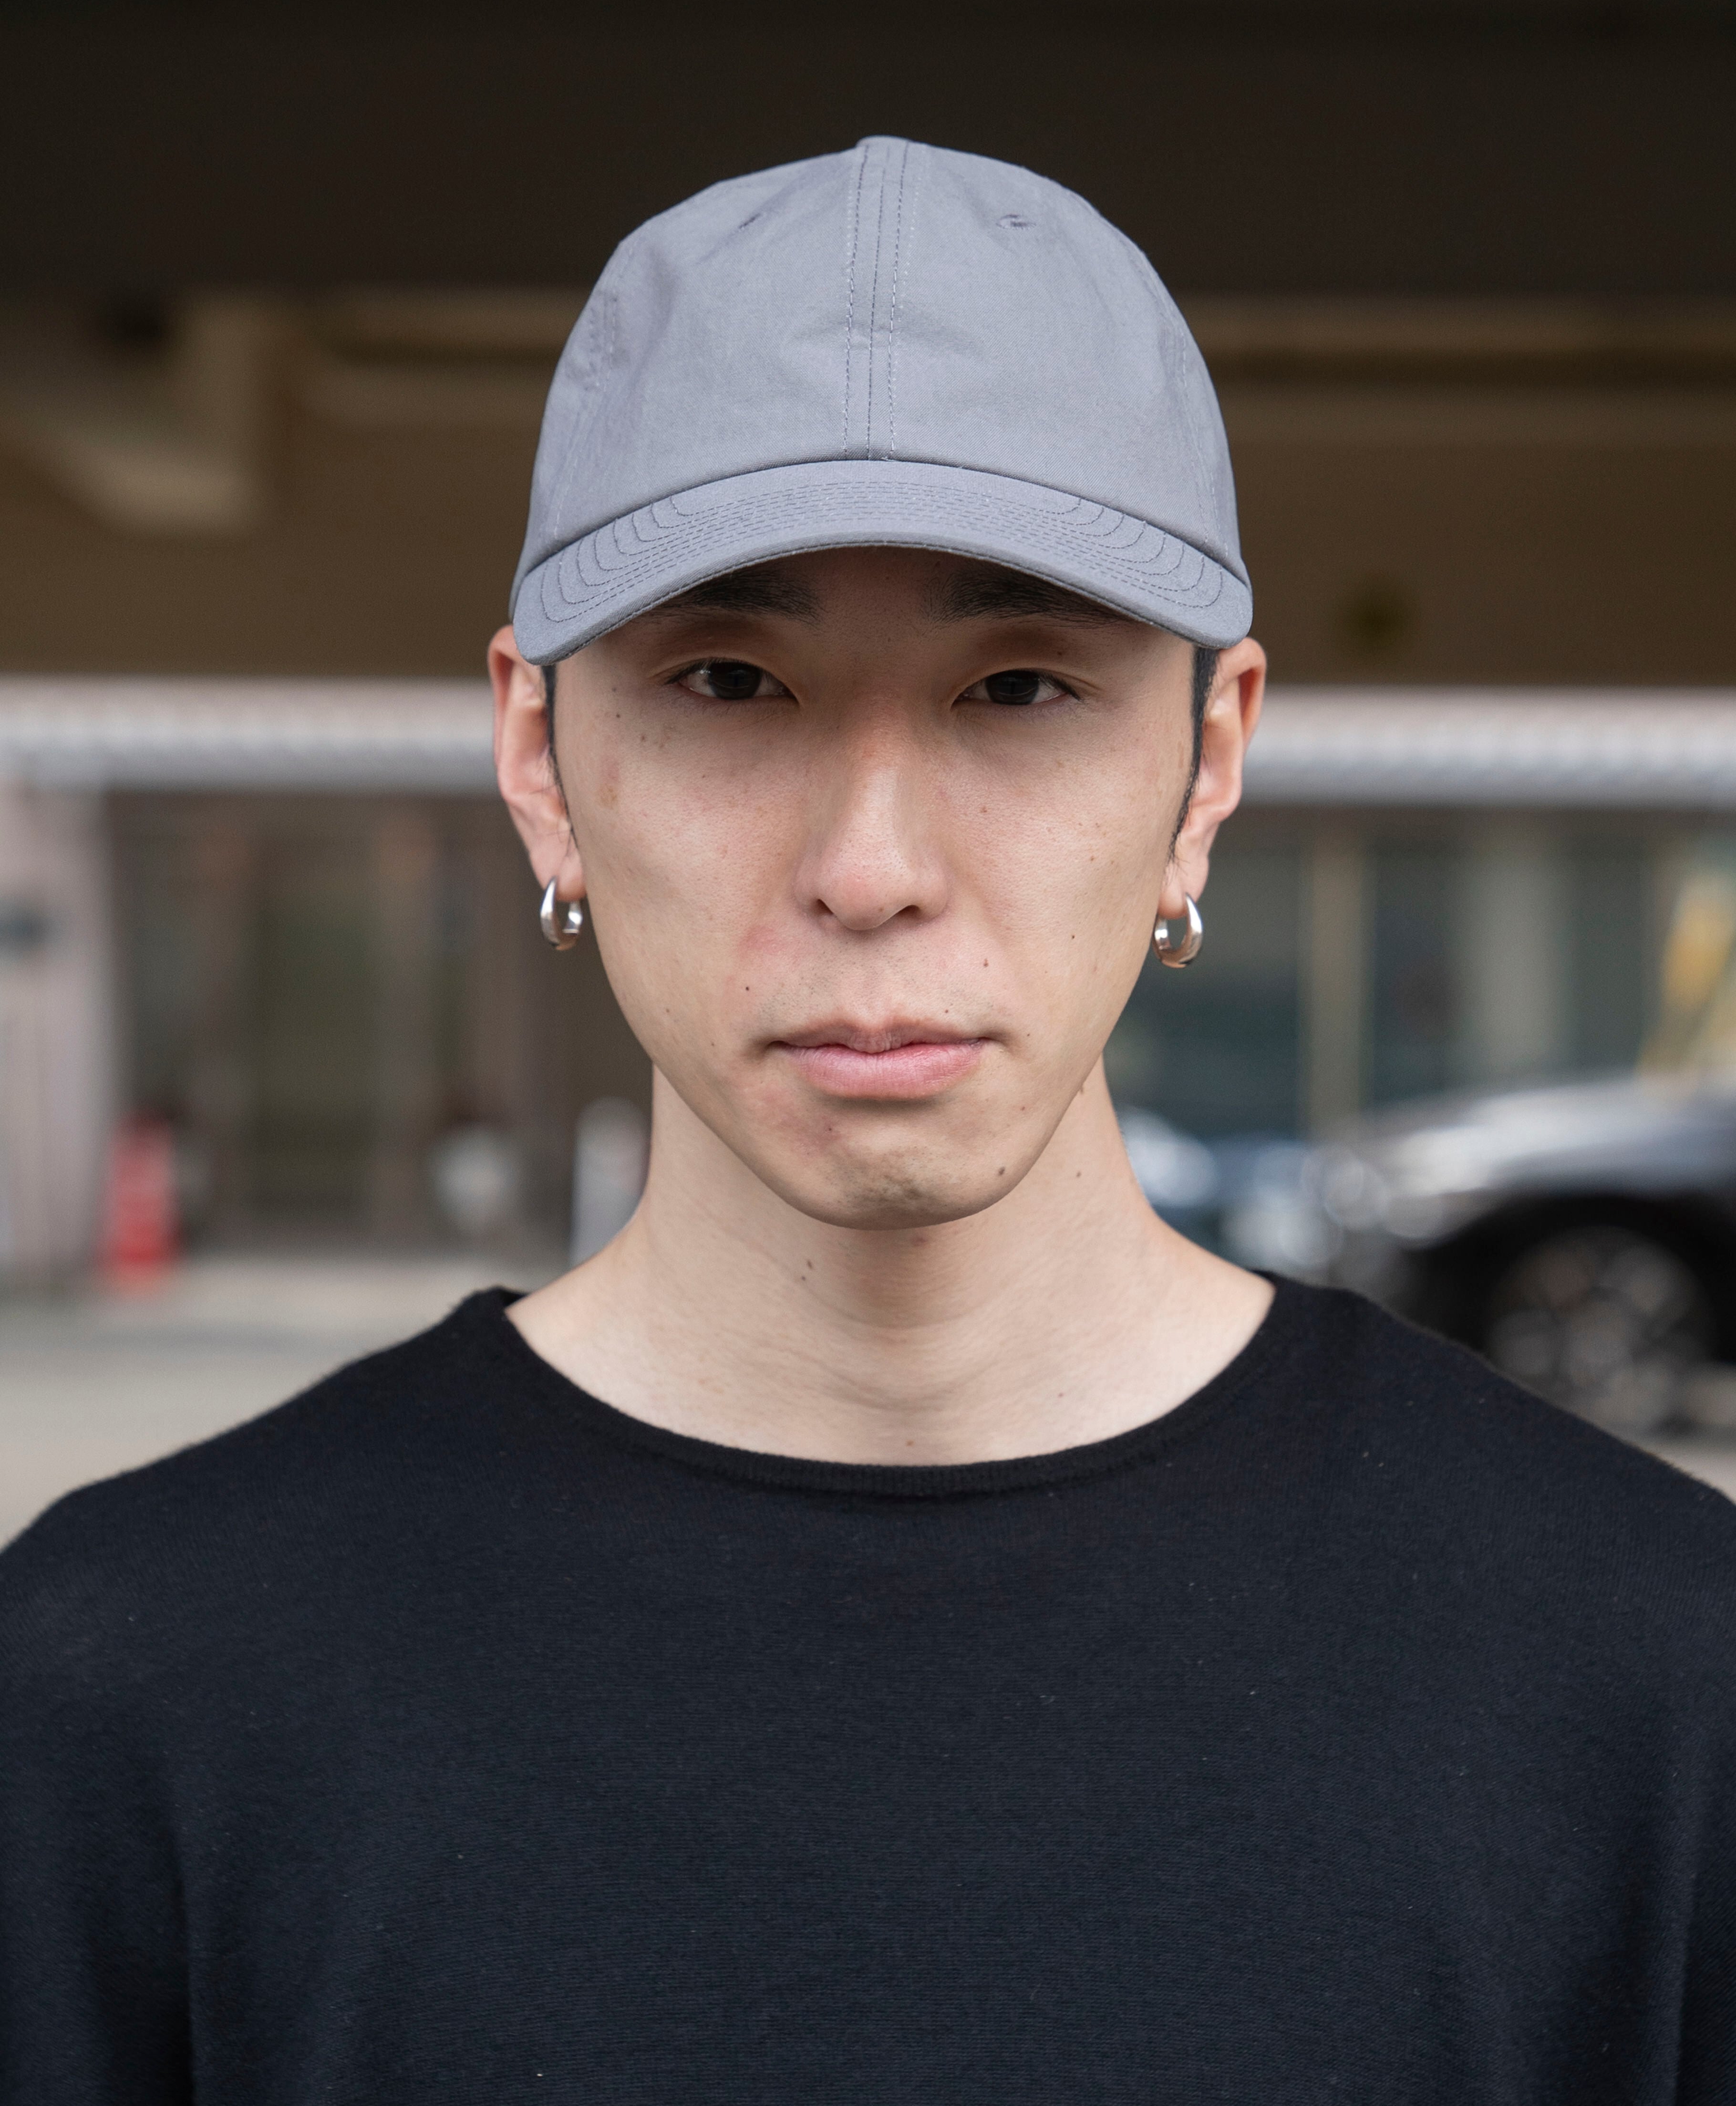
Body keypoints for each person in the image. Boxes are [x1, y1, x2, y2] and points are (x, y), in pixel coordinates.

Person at [2, 138, 1733, 2103]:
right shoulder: (125, 1694)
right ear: (540, 757)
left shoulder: (1655, 1684)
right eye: (730, 678)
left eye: (1022, 689)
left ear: (1208, 762)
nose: (873, 867)